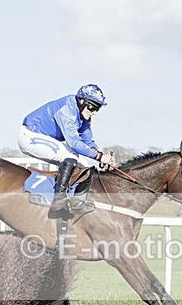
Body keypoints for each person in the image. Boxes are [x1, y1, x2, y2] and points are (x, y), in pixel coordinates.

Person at [18, 84, 117, 212]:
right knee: (71, 156)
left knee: (84, 166)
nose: (95, 112)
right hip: (30, 136)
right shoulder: (67, 110)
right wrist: (99, 157)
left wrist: (102, 156)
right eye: (93, 107)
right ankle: (58, 200)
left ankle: (76, 204)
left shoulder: (83, 115)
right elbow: (74, 143)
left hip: (45, 139)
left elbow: (87, 140)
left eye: (98, 108)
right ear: (82, 101)